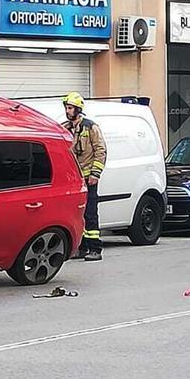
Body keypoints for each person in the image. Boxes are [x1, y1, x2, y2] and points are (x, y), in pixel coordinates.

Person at [62, 93, 107, 262]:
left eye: (70, 108)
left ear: (78, 109)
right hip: (73, 179)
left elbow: (100, 151)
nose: (68, 111)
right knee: (76, 213)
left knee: (90, 213)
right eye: (67, 107)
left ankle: (95, 248)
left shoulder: (90, 128)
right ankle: (81, 247)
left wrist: (95, 174)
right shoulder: (65, 127)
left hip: (88, 178)